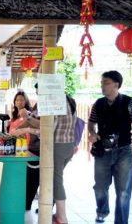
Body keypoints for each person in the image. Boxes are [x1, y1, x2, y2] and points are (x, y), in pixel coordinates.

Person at [88, 71, 132, 224]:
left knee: (124, 191)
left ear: (116, 85)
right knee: (99, 187)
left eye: (105, 83)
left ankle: (121, 221)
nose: (102, 86)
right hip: (102, 151)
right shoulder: (98, 104)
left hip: (123, 151)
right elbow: (91, 123)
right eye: (101, 83)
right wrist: (93, 134)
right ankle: (102, 211)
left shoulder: (130, 102)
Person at [8, 90, 40, 212]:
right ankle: (24, 201)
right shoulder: (15, 113)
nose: (19, 102)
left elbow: (27, 128)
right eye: (17, 100)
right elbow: (14, 130)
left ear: (26, 100)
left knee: (30, 177)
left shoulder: (28, 114)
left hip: (27, 146)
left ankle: (27, 203)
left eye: (21, 99)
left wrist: (20, 129)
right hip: (18, 146)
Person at [52, 94, 78, 224]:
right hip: (69, 145)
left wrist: (29, 128)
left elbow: (49, 129)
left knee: (56, 180)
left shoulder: (56, 101)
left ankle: (62, 217)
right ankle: (56, 213)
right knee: (56, 178)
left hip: (58, 145)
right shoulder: (70, 100)